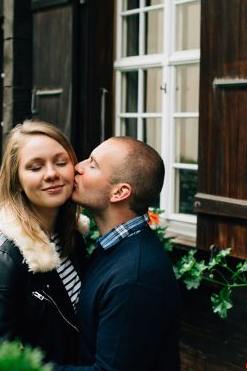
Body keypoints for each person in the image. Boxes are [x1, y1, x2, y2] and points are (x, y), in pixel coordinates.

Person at [56, 136, 181, 371]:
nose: (77, 167)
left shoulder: (136, 276)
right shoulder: (114, 249)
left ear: (119, 192)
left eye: (92, 164)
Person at [0, 120, 89, 364]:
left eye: (60, 162)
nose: (52, 174)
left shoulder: (72, 237)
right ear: (17, 180)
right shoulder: (3, 261)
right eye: (35, 167)